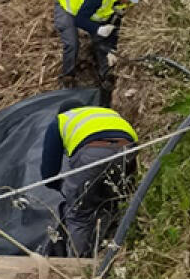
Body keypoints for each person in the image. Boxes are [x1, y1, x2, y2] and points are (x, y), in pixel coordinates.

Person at [41, 105, 139, 258]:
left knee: (79, 214)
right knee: (116, 203)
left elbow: (49, 173)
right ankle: (119, 254)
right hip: (127, 149)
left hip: (92, 153)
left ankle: (77, 267)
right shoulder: (108, 113)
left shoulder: (61, 121)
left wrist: (64, 188)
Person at [53, 0, 143, 106]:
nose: (128, 0)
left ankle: (105, 78)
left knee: (102, 43)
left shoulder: (124, 1)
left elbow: (114, 26)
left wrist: (111, 50)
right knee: (72, 43)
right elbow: (79, 19)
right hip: (67, 6)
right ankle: (68, 78)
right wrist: (97, 29)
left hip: (91, 13)